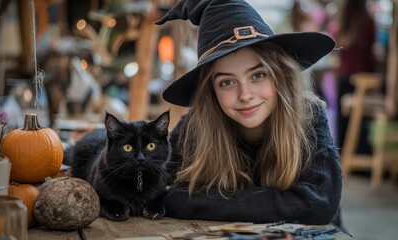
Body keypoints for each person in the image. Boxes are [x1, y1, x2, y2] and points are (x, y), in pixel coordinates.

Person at [156, 0, 342, 225]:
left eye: (258, 75)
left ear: (279, 75)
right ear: (211, 91)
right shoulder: (196, 126)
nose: (245, 95)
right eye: (226, 82)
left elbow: (319, 204)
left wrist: (188, 202)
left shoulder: (308, 116)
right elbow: (152, 187)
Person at [335, 0, 376, 152]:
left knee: (345, 123)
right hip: (364, 80)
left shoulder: (342, 23)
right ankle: (362, 156)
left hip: (346, 78)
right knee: (362, 125)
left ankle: (344, 153)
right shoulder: (367, 21)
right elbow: (370, 54)